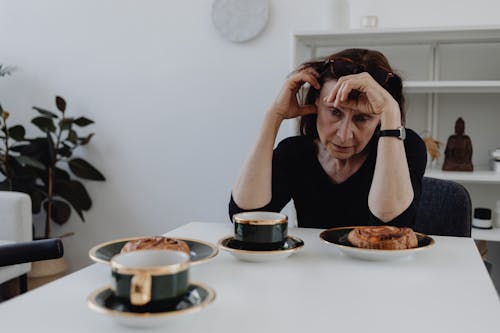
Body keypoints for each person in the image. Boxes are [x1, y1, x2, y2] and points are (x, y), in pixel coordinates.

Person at [228, 49, 427, 229]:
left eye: (362, 118)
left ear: (379, 120)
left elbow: (393, 228)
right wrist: (274, 115)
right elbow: (245, 218)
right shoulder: (295, 152)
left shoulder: (407, 147)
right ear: (316, 103)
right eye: (334, 112)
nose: (344, 134)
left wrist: (391, 114)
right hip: (312, 267)